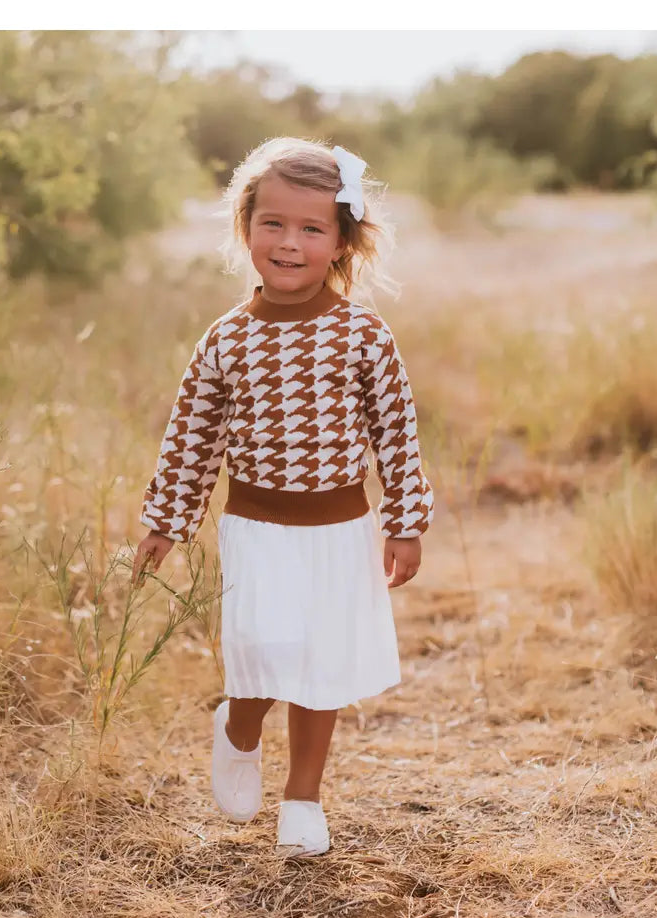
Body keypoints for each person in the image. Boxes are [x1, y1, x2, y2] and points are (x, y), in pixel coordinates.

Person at [131, 137, 434, 859]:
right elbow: (192, 435)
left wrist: (406, 521)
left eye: (310, 229)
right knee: (264, 645)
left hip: (339, 526)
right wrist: (166, 523)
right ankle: (238, 729)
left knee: (319, 660)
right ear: (246, 229)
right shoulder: (227, 339)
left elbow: (396, 427)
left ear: (340, 242)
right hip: (256, 524)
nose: (289, 243)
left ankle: (303, 796)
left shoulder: (362, 334)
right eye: (273, 224)